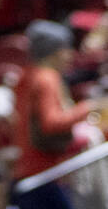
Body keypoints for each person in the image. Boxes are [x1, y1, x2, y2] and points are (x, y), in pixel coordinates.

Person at [13, 20, 108, 209]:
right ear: (55, 51)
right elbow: (51, 123)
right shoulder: (47, 78)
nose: (70, 55)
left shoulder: (25, 75)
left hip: (26, 167)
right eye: (66, 48)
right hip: (47, 171)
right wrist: (87, 107)